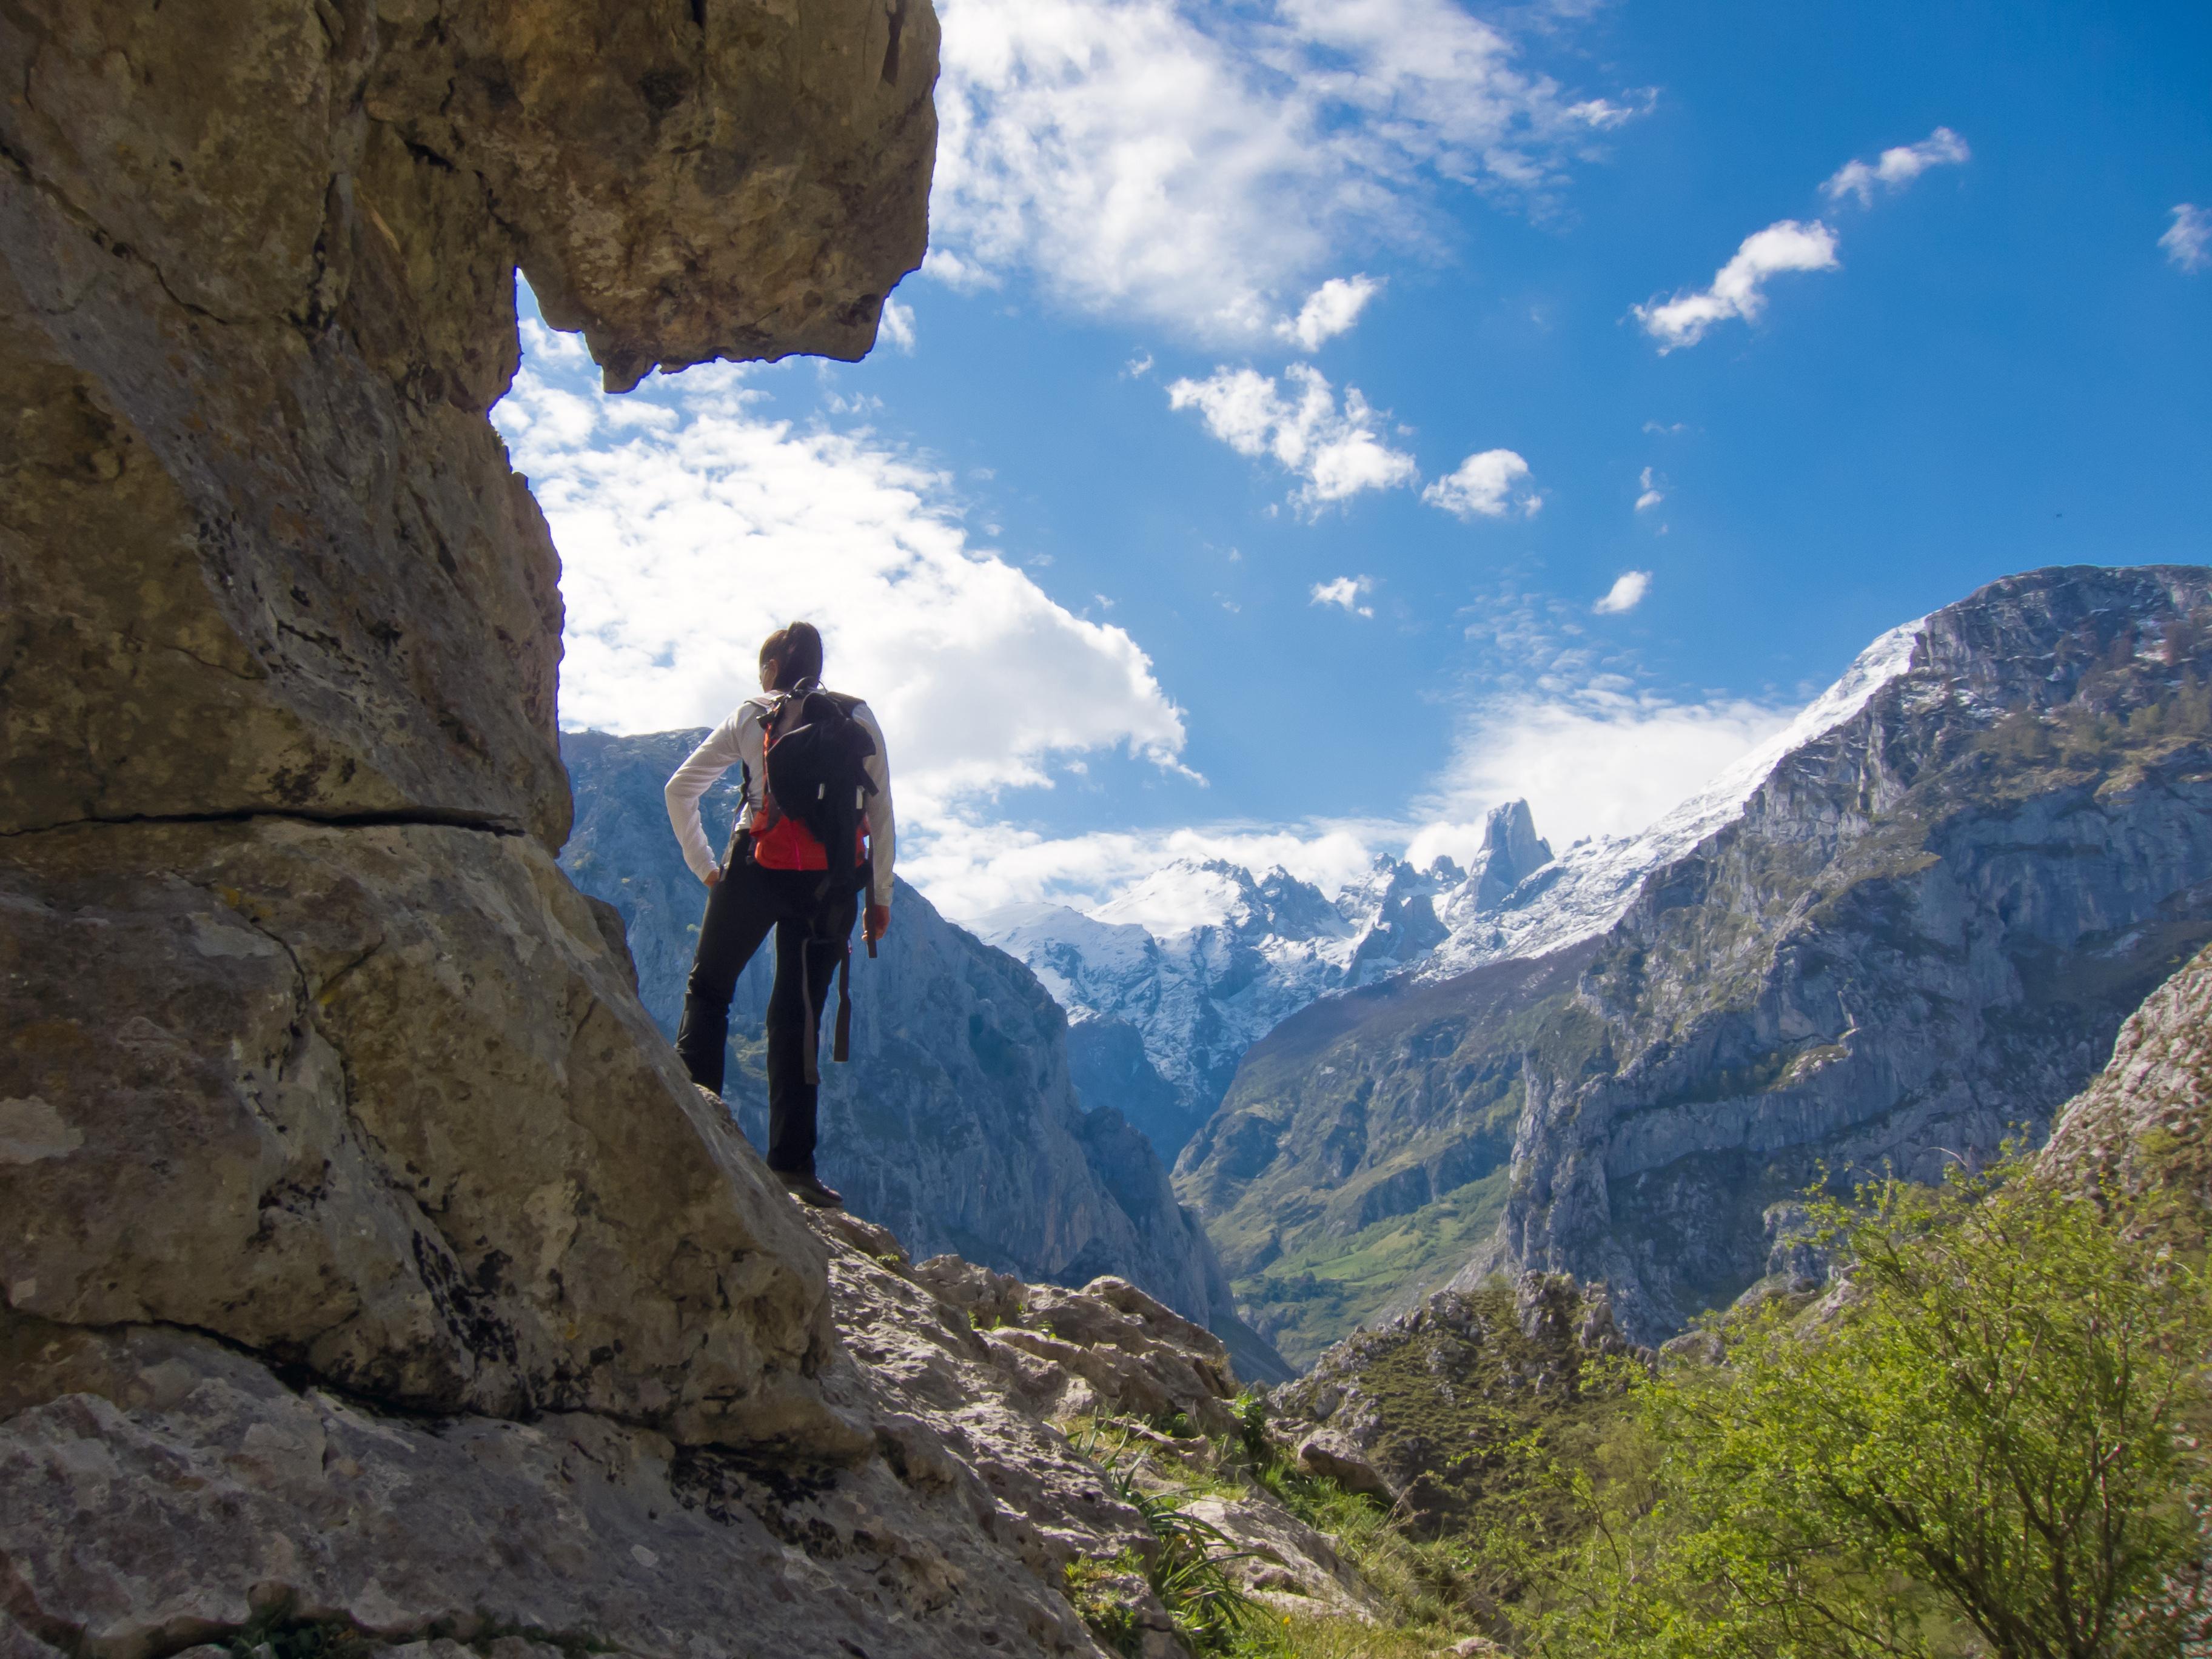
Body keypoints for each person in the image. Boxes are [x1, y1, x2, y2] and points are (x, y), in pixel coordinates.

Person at [663, 622, 893, 1208]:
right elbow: (882, 811)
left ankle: (696, 1126)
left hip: (756, 865)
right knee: (799, 1017)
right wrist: (879, 898)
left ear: (771, 669)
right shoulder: (858, 716)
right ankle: (793, 1167)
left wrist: (706, 867)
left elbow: (679, 789)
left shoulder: (753, 714)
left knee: (709, 989)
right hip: (830, 881)